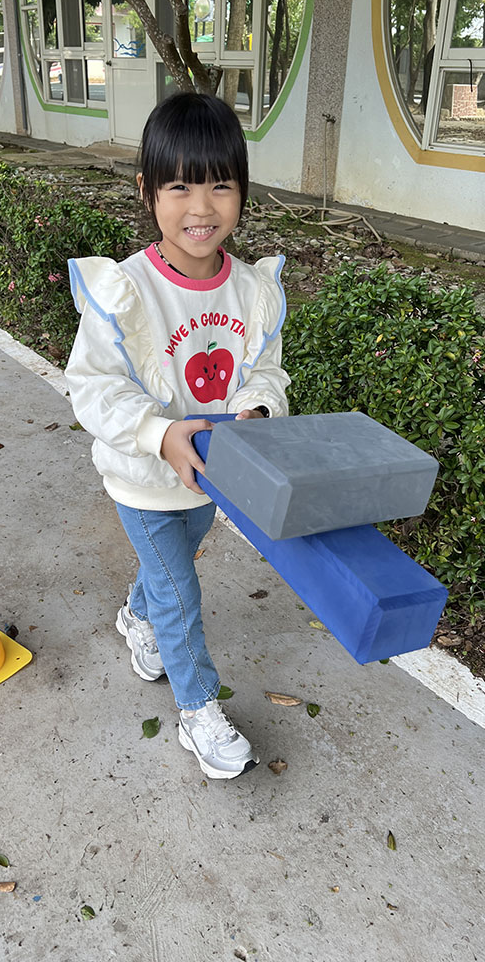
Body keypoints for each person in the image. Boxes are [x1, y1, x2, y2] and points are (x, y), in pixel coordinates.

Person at [65, 92, 290, 779]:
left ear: (243, 191)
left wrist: (256, 411)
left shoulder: (251, 292)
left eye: (220, 185)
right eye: (180, 187)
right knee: (181, 593)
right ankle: (199, 710)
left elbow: (264, 372)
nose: (202, 207)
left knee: (169, 571)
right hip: (143, 478)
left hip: (211, 477)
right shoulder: (126, 291)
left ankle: (137, 618)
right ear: (147, 191)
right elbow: (93, 385)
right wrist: (157, 433)